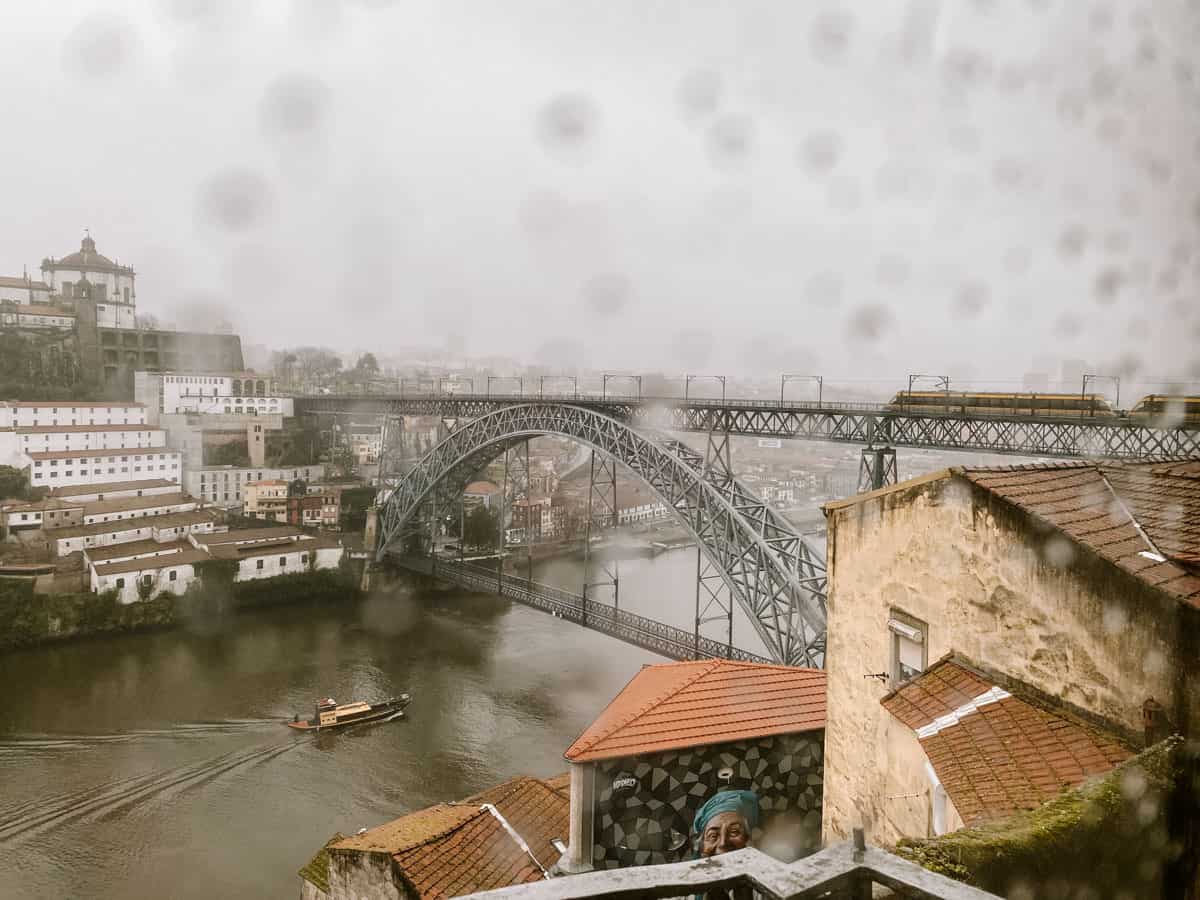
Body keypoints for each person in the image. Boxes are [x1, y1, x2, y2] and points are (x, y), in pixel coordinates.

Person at [691, 790, 760, 900]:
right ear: (702, 847)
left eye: (734, 832)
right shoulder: (684, 895)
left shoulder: (766, 892)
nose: (723, 843)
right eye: (713, 836)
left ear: (748, 840)